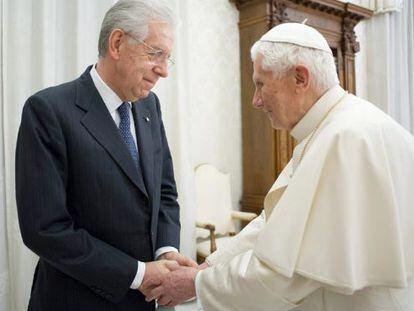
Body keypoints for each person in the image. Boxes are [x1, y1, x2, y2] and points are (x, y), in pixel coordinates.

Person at [145, 23, 414, 310]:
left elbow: (285, 273)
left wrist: (196, 284)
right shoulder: (332, 128)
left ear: (300, 77)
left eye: (261, 84)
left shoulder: (343, 139)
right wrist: (208, 266)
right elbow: (274, 223)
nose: (256, 100)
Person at [15, 0, 196, 310]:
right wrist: (138, 273)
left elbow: (164, 193)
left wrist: (165, 251)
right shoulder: (48, 110)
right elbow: (45, 230)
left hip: (143, 301)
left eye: (168, 59)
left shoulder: (149, 107)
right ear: (117, 43)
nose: (164, 71)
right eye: (156, 54)